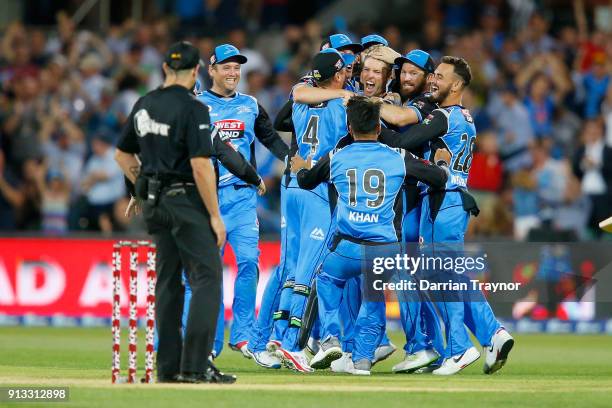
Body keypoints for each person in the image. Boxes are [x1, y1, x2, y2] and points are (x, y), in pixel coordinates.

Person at [290, 95, 450, 375]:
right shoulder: (399, 157)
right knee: (373, 297)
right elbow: (439, 179)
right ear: (379, 127)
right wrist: (443, 163)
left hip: (347, 247)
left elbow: (306, 181)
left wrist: (300, 168)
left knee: (327, 280)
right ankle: (363, 360)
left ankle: (329, 338)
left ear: (349, 129)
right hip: (384, 247)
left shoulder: (336, 156)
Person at [381, 56, 514, 375]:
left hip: (444, 200)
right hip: (448, 200)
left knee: (443, 275)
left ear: (456, 85)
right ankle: (492, 333)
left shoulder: (443, 116)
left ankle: (458, 347)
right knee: (439, 274)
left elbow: (401, 142)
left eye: (440, 77)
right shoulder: (465, 118)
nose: (433, 81)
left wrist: (367, 118)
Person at [114, 41, 236, 384]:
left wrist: (142, 184)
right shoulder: (193, 108)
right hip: (185, 201)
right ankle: (194, 367)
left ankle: (167, 368)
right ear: (196, 71)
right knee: (207, 279)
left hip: (154, 205)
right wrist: (214, 215)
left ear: (166, 68)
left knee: (167, 283)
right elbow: (200, 166)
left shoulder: (144, 104)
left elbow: (122, 156)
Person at [187, 43, 288, 360]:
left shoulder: (251, 104)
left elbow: (270, 138)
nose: (233, 73)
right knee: (210, 273)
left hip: (244, 201)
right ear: (212, 70)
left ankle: (242, 336)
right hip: (209, 200)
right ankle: (211, 344)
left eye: (237, 68)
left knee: (248, 263)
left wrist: (292, 161)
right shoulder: (197, 105)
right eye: (226, 67)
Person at [273, 48, 355, 372]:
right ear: (337, 76)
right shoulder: (341, 102)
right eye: (344, 71)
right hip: (318, 190)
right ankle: (294, 345)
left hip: (292, 187)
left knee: (292, 268)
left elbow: (300, 91)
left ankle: (278, 337)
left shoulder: (299, 99)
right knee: (310, 271)